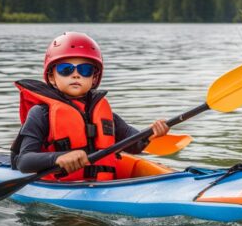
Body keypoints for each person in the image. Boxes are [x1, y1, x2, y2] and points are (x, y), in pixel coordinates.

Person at [10, 32, 169, 181]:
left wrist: (151, 133)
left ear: (94, 78)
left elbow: (135, 145)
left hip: (102, 183)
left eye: (85, 70)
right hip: (60, 185)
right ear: (51, 77)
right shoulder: (40, 113)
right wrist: (58, 158)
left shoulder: (105, 114)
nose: (76, 74)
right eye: (65, 69)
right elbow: (24, 161)